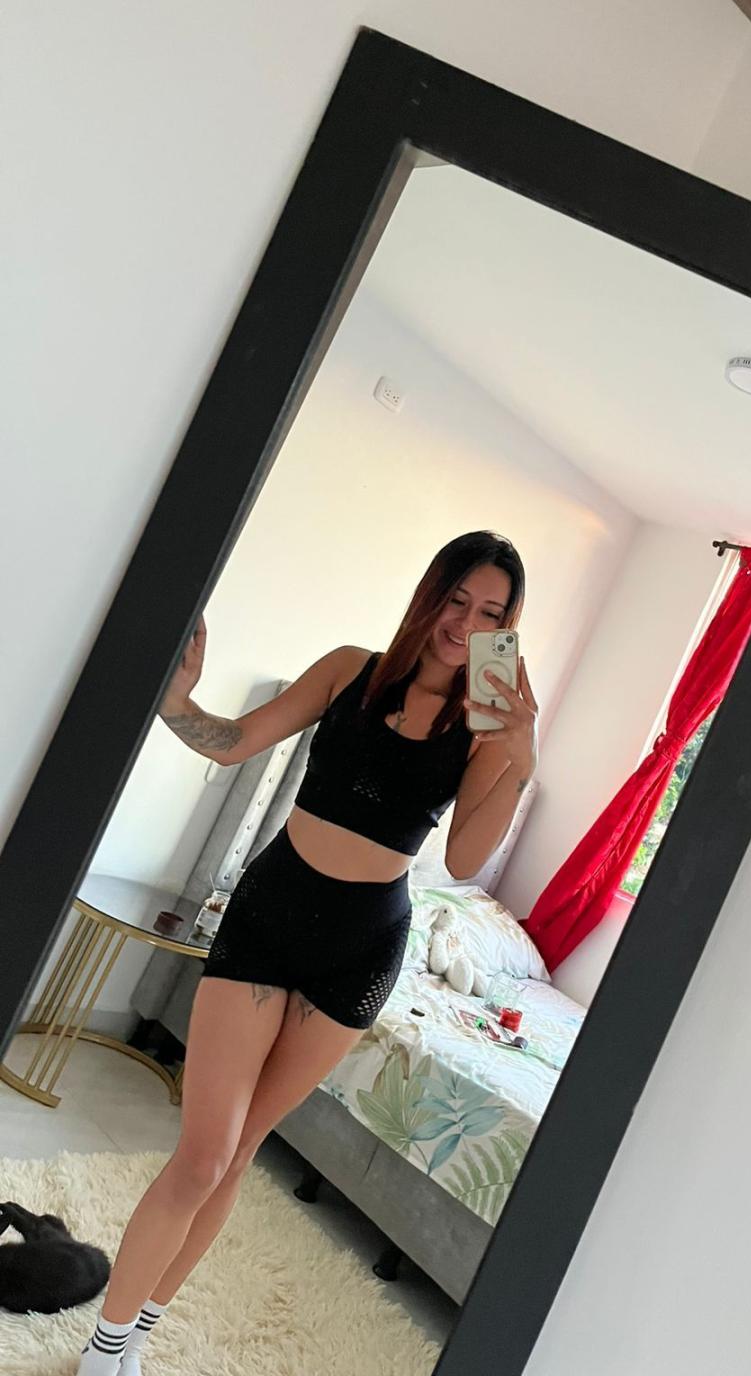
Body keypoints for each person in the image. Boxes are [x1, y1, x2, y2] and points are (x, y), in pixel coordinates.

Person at [76, 531, 538, 1376]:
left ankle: (134, 1341)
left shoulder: (481, 732)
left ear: (506, 630)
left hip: (362, 951)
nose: (465, 623)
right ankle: (102, 1349)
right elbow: (233, 741)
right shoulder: (348, 671)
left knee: (239, 1154)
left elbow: (467, 860)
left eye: (490, 614)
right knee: (203, 1155)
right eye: (456, 599)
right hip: (270, 920)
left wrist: (518, 751)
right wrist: (178, 702)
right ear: (430, 594)